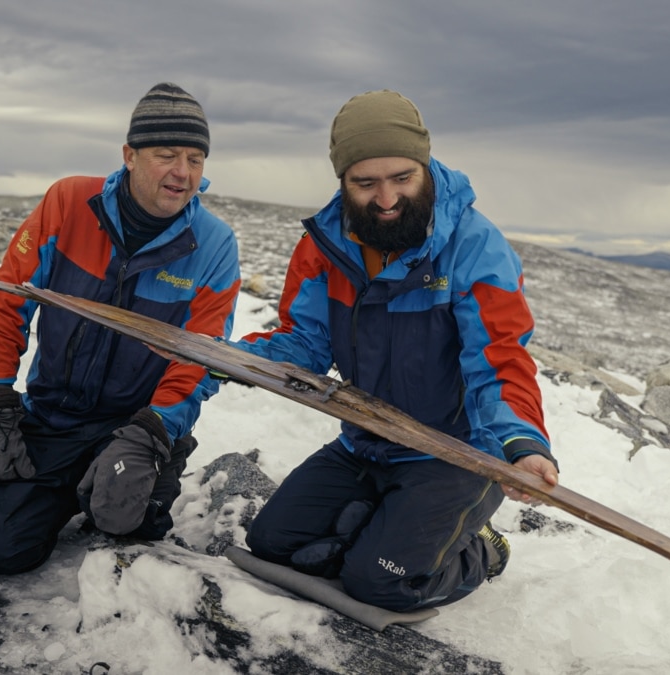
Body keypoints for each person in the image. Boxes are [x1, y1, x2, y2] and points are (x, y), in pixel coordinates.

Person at [234, 90, 557, 611]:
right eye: (365, 183)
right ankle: (387, 525)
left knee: (380, 585)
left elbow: (499, 357)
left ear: (425, 169)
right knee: (273, 544)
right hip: (367, 444)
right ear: (342, 182)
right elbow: (307, 343)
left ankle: (481, 551)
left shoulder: (474, 247)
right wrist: (233, 358)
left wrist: (521, 441)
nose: (386, 199)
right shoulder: (326, 246)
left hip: (457, 456)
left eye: (402, 178)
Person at [0, 83, 241, 575]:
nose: (182, 173)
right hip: (53, 416)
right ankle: (67, 486)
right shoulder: (68, 203)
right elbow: (6, 301)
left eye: (195, 159)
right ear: (129, 155)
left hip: (134, 424)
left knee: (126, 526)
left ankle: (152, 467)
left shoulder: (212, 245)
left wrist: (153, 431)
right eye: (167, 155)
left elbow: (203, 357)